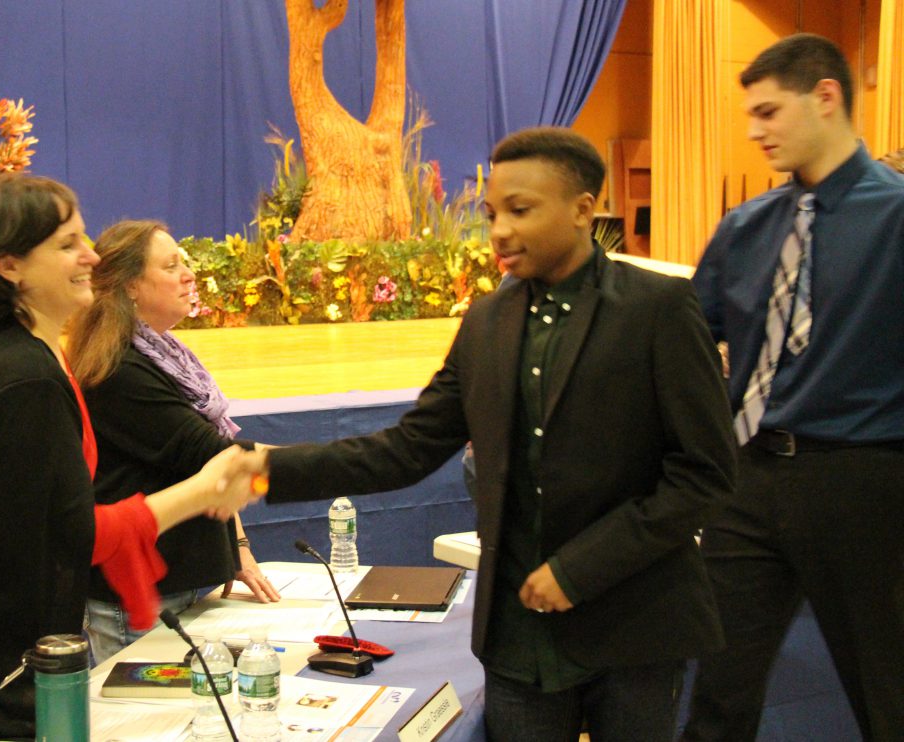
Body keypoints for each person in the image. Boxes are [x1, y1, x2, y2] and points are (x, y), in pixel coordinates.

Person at [262, 127, 737, 741]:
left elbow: (706, 473)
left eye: (521, 210)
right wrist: (265, 467)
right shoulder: (487, 319)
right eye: (491, 213)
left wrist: (579, 570)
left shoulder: (659, 308)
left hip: (635, 626)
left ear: (583, 209)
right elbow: (408, 448)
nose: (499, 231)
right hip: (518, 638)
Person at [0, 174, 264, 740]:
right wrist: (204, 491)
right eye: (67, 245)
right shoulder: (18, 377)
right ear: (9, 266)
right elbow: (69, 536)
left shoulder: (26, 356)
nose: (91, 256)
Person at [683, 34, 904, 741]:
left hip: (862, 480)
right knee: (718, 691)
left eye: (770, 111)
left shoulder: (898, 217)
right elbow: (684, 340)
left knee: (887, 691)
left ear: (827, 97)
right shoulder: (746, 227)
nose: (755, 131)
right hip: (744, 480)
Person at [68, 219, 281, 664]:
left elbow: (207, 465)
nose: (188, 275)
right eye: (170, 266)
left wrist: (236, 549)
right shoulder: (118, 370)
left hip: (174, 585)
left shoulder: (167, 355)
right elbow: (215, 455)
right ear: (130, 288)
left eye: (183, 262)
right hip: (137, 599)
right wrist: (324, 466)